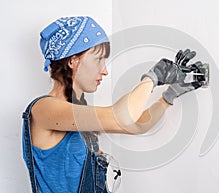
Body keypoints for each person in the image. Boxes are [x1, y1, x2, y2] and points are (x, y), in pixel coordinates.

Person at [21, 16, 208, 193]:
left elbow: (137, 125)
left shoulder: (77, 114)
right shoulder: (44, 109)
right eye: (98, 60)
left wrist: (170, 95)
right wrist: (153, 77)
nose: (104, 71)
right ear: (73, 60)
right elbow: (120, 116)